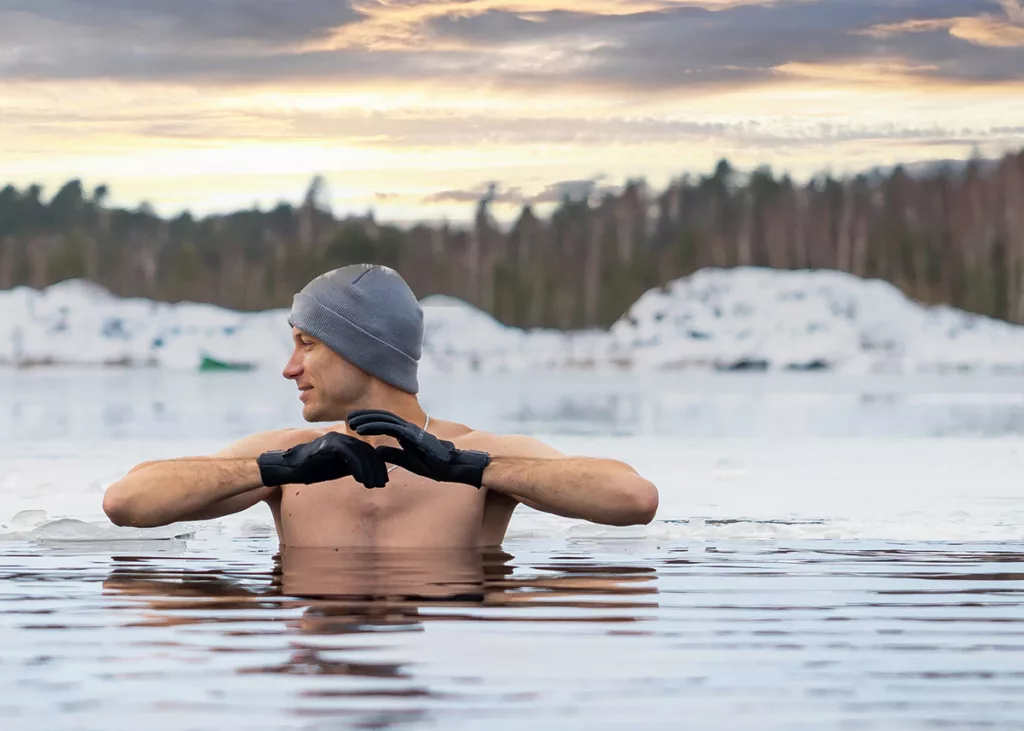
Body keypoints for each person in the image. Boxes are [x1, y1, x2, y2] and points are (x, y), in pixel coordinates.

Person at [102, 264, 659, 548]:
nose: (289, 368)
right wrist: (277, 469)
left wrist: (465, 468)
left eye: (308, 344)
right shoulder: (288, 457)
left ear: (361, 351)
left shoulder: (475, 456)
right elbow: (126, 501)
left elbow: (633, 498)